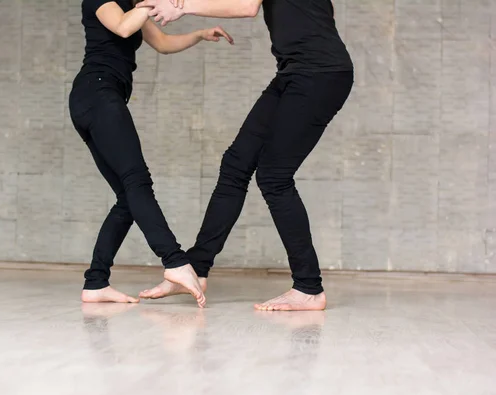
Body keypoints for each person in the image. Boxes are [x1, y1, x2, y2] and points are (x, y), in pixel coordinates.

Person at [138, 0, 353, 311]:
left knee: (274, 176)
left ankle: (309, 287)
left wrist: (182, 8)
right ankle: (197, 270)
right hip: (295, 72)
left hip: (320, 74)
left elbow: (247, 5)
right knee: (236, 164)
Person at [69, 0, 234, 308]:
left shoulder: (132, 7)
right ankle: (174, 262)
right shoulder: (103, 1)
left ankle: (96, 282)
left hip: (100, 97)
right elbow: (122, 26)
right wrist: (154, 2)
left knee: (128, 197)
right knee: (137, 181)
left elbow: (163, 42)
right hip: (97, 93)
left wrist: (199, 34)